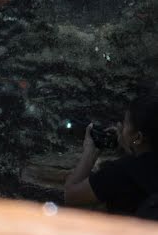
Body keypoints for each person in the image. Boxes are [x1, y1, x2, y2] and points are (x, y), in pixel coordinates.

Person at [64, 90, 158, 219]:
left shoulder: (118, 172)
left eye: (125, 123)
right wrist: (129, 145)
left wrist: (89, 151)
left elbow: (70, 195)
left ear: (138, 137)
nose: (120, 126)